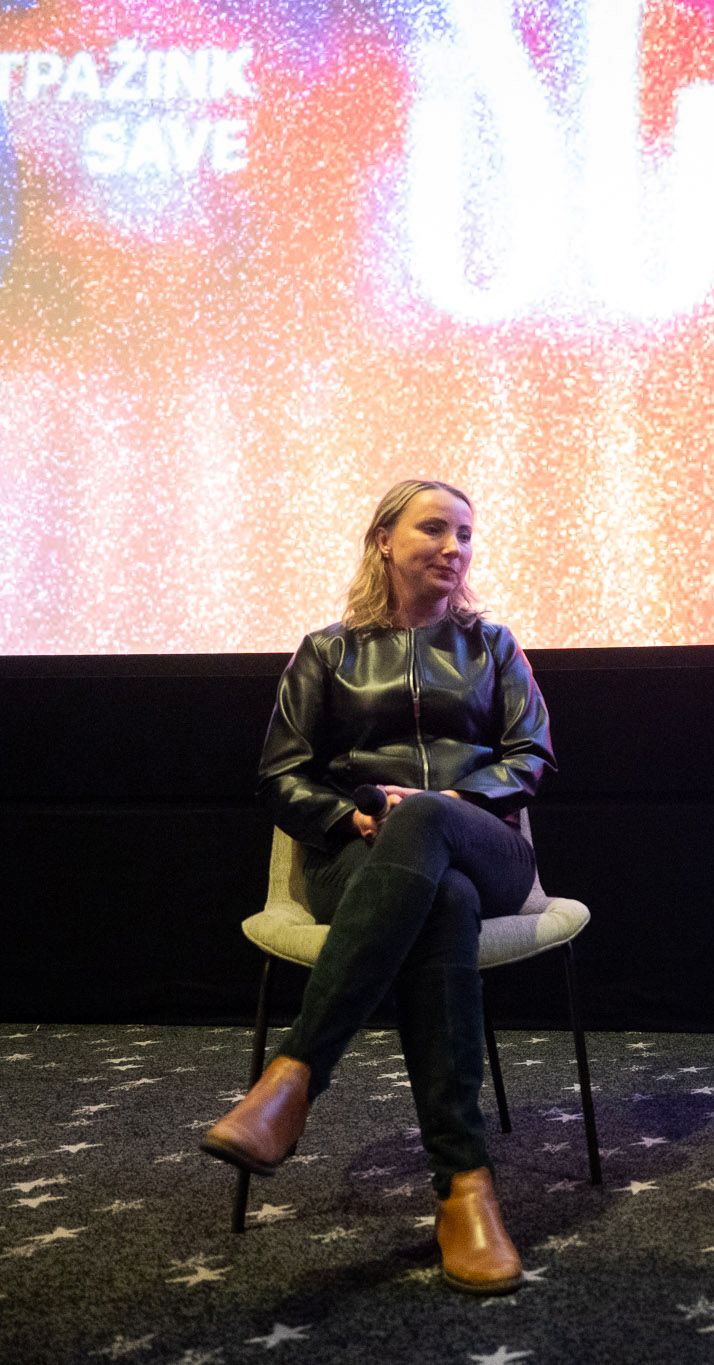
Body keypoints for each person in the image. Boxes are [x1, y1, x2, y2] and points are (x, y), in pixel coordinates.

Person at [201, 479, 555, 1295]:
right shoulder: (327, 651)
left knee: (430, 824)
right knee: (444, 901)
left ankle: (294, 1077)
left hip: (487, 847)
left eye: (465, 533)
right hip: (357, 858)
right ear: (385, 540)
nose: (454, 547)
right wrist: (348, 816)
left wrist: (448, 803)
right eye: (434, 529)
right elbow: (280, 775)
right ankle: (465, 1184)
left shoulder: (494, 645)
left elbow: (530, 756)